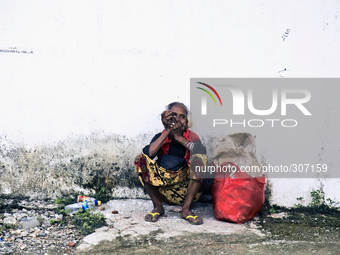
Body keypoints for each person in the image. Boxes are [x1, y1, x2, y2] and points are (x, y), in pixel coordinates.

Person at [134, 102, 207, 225]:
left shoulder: (192, 137)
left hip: (185, 192)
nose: (177, 120)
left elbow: (201, 152)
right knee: (140, 159)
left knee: (200, 158)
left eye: (182, 116)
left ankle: (186, 209)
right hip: (163, 191)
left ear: (187, 122)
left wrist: (178, 137)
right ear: (166, 119)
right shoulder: (161, 136)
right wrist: (167, 131)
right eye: (174, 115)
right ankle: (158, 207)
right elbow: (149, 154)